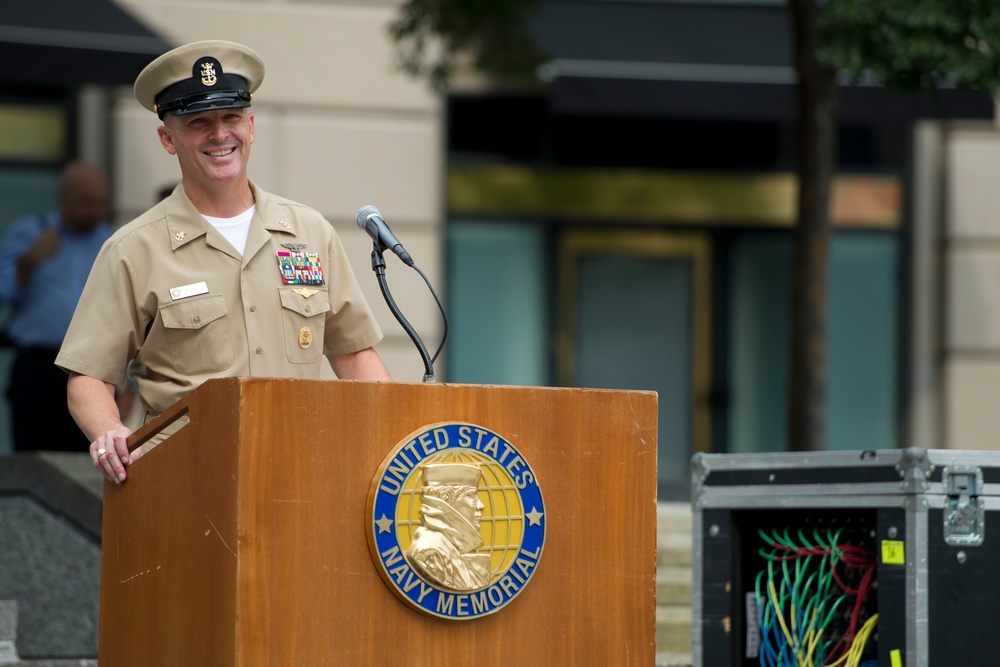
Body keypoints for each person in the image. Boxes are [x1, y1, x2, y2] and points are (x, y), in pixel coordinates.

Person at [55, 40, 392, 484]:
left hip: (302, 473)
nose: (219, 135)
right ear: (167, 138)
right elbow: (88, 377)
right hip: (185, 481)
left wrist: (391, 434)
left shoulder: (309, 233)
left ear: (251, 126)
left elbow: (353, 355)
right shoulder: (134, 249)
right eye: (199, 122)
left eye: (231, 118)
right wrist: (109, 432)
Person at [0, 161, 115, 452]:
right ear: (65, 198)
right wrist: (29, 261)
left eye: (101, 203)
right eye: (87, 203)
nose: (96, 212)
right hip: (37, 367)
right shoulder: (29, 233)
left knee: (88, 457)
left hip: (89, 366)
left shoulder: (111, 242)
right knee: (32, 458)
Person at [405, 463, 491, 591]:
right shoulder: (429, 552)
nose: (480, 505)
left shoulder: (447, 546)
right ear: (446, 499)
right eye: (471, 495)